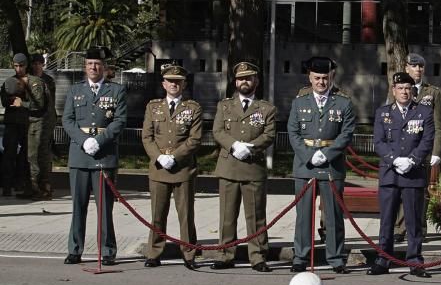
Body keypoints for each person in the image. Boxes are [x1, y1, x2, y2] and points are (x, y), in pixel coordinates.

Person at [287, 56, 356, 273]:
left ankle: (335, 257)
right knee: (303, 214)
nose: (321, 82)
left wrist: (326, 154)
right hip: (305, 164)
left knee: (334, 215)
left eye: (325, 78)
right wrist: (309, 155)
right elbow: (293, 132)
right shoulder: (299, 102)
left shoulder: (344, 103)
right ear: (310, 77)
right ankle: (301, 255)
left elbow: (346, 134)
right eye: (317, 78)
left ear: (331, 77)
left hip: (331, 165)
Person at [61, 46, 126, 264]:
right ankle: (75, 249)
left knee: (105, 209)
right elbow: (67, 120)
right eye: (89, 64)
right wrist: (83, 140)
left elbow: (119, 121)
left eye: (97, 64)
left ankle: (107, 251)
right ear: (85, 66)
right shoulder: (75, 90)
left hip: (103, 156)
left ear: (104, 67)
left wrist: (98, 141)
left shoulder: (116, 91)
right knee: (78, 207)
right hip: (79, 155)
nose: (93, 67)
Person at [368, 72, 435, 277]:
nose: (404, 92)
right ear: (393, 90)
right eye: (400, 88)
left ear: (412, 90)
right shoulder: (383, 113)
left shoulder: (424, 112)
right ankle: (383, 259)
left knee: (413, 221)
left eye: (408, 88)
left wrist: (412, 160)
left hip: (413, 174)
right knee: (387, 219)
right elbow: (378, 141)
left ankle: (415, 260)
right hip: (390, 173)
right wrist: (394, 159)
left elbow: (427, 140)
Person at [211, 62, 276, 272]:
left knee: (256, 215)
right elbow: (218, 131)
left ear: (256, 81)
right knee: (227, 215)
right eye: (240, 78)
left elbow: (269, 134)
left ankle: (257, 256)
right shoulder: (224, 106)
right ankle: (225, 254)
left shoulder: (266, 108)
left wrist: (251, 148)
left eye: (248, 78)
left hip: (252, 167)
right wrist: (234, 145)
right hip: (229, 166)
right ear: (235, 82)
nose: (244, 82)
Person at [141, 64, 201, 269]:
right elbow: (147, 137)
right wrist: (158, 157)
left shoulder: (193, 108)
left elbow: (194, 139)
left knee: (186, 215)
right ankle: (154, 252)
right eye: (170, 81)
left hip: (183, 169)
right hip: (159, 170)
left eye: (178, 81)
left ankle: (189, 253)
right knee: (157, 214)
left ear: (183, 84)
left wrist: (175, 157)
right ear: (163, 84)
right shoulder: (153, 107)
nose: (174, 84)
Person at [393, 53, 441, 242]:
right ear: (406, 68)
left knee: (422, 190)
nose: (418, 69)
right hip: (404, 148)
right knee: (400, 188)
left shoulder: (432, 93)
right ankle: (400, 229)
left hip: (424, 149)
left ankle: (420, 229)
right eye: (414, 66)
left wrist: (437, 151)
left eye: (421, 66)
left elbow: (438, 124)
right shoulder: (398, 88)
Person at [1, 53, 45, 196]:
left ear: (26, 65)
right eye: (16, 66)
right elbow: (5, 101)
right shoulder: (9, 82)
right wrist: (12, 100)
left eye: (21, 66)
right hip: (12, 123)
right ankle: (7, 186)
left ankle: (23, 184)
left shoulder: (34, 81)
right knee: (9, 155)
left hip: (28, 124)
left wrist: (22, 103)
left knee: (26, 157)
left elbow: (39, 104)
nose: (18, 69)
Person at [27, 53, 56, 200]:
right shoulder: (29, 79)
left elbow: (44, 104)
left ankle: (44, 188)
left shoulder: (46, 81)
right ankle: (37, 187)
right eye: (34, 63)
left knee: (41, 155)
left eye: (39, 63)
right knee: (34, 155)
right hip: (35, 121)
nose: (37, 66)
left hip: (44, 121)